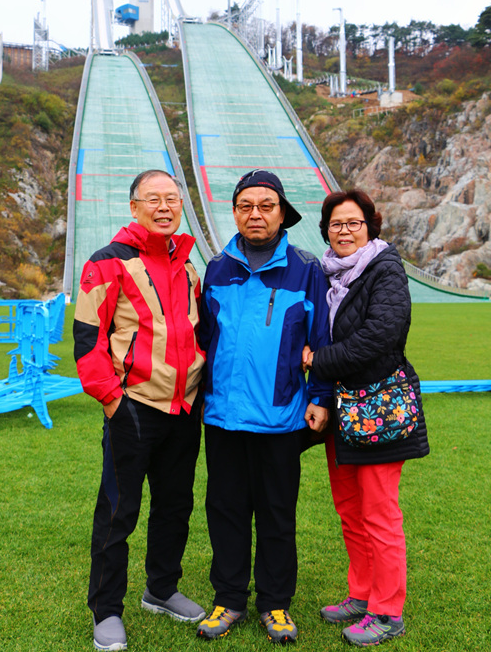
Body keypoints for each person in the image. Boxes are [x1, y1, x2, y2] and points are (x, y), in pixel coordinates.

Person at [196, 169, 332, 644]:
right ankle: (229, 598)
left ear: (282, 212)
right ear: (235, 212)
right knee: (225, 510)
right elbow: (205, 338)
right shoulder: (217, 267)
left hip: (280, 418)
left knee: (277, 515)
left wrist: (320, 397)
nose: (256, 214)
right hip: (223, 417)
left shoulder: (306, 269)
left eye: (266, 205)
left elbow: (321, 340)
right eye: (246, 206)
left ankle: (275, 603)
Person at [73, 169, 206, 652]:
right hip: (133, 406)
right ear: (134, 207)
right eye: (153, 199)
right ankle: (106, 610)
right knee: (118, 511)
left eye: (172, 198)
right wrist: (112, 400)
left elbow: (197, 332)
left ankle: (161, 589)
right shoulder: (106, 262)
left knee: (175, 505)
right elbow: (87, 340)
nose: (164, 207)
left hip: (184, 408)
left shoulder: (188, 265)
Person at [302, 189, 430, 647]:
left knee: (379, 513)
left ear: (369, 226)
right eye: (336, 224)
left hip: (379, 409)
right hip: (343, 411)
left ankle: (387, 611)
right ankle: (361, 594)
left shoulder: (385, 268)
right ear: (326, 231)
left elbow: (380, 335)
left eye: (353, 222)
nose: (344, 231)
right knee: (350, 510)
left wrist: (317, 360)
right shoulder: (328, 275)